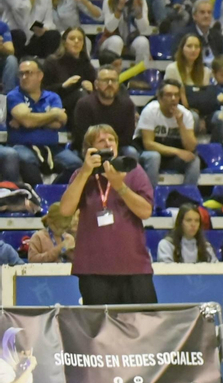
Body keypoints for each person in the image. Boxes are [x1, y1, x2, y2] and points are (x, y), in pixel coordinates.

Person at [57, 124, 156, 304]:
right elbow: (65, 210)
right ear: (90, 149)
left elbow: (145, 211)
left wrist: (120, 186)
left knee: (144, 325)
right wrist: (85, 172)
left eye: (112, 139)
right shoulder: (81, 175)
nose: (108, 143)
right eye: (102, 140)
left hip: (133, 267)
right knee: (101, 329)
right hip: (93, 268)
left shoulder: (133, 170)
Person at [2, 58, 80, 184]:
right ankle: (37, 195)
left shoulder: (53, 96)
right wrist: (53, 114)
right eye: (21, 74)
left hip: (52, 147)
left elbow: (60, 121)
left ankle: (53, 192)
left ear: (40, 75)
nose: (24, 77)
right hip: (23, 146)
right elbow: (28, 121)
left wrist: (28, 119)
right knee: (26, 159)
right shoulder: (14, 95)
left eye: (29, 73)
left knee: (76, 164)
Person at [137, 82, 201, 187]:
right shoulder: (150, 111)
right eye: (169, 95)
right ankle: (149, 198)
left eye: (176, 95)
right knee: (154, 156)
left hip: (171, 157)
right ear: (160, 98)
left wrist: (181, 123)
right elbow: (148, 144)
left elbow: (191, 146)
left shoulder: (186, 114)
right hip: (148, 155)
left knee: (194, 160)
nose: (173, 98)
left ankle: (187, 199)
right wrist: (177, 151)